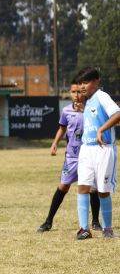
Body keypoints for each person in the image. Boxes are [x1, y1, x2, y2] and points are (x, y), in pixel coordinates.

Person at [36, 80, 101, 233]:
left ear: (84, 92)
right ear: (70, 93)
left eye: (80, 92)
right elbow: (62, 128)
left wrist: (85, 110)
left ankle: (96, 222)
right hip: (72, 156)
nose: (77, 95)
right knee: (63, 186)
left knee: (92, 188)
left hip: (90, 154)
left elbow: (99, 124)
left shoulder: (91, 109)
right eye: (74, 92)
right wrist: (55, 143)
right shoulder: (66, 111)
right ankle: (48, 221)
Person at [73, 67, 120, 239]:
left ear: (96, 81)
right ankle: (84, 229)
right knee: (83, 187)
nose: (82, 86)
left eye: (86, 82)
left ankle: (108, 230)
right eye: (81, 83)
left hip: (103, 149)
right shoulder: (88, 100)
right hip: (87, 149)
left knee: (103, 191)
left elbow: (117, 114)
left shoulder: (102, 96)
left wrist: (101, 130)